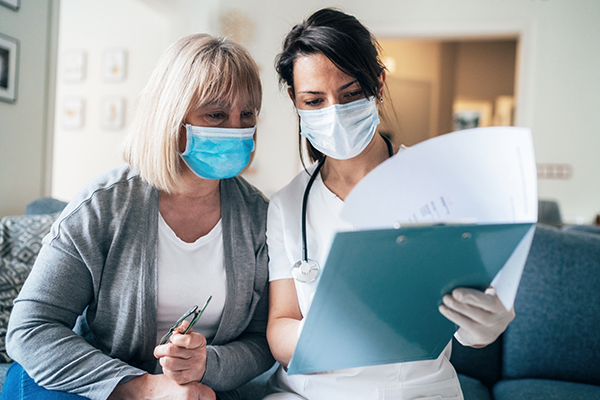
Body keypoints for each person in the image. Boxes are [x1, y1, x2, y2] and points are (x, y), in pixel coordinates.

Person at [2, 33, 274, 400]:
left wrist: (207, 364)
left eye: (247, 115)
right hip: (99, 382)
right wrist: (145, 388)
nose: (237, 129)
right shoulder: (103, 206)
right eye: (216, 114)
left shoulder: (260, 217)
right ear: (172, 116)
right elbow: (31, 329)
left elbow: (261, 340)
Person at [264, 8, 515, 400]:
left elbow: (473, 324)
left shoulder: (441, 186)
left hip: (416, 391)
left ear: (379, 85)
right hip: (308, 392)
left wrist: (483, 326)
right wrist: (330, 330)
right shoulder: (287, 204)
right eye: (314, 101)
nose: (334, 113)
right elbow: (280, 327)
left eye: (350, 94)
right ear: (296, 104)